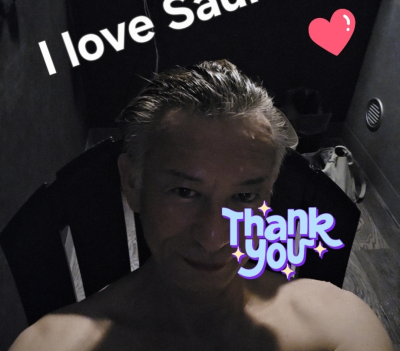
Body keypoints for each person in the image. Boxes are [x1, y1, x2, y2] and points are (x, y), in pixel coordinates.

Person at [9, 60, 392, 351]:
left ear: (269, 191)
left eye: (244, 196)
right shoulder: (53, 345)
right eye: (184, 192)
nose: (213, 237)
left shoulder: (338, 329)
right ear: (133, 183)